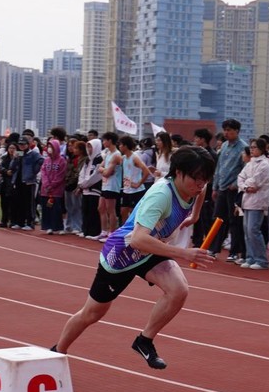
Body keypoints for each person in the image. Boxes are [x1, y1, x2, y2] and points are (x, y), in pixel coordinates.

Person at [52, 146, 216, 369]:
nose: (201, 185)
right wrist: (184, 253)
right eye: (197, 179)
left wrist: (194, 216)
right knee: (92, 313)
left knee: (179, 289)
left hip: (151, 250)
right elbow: (138, 239)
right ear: (178, 172)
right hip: (122, 254)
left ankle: (144, 340)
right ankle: (57, 351)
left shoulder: (196, 188)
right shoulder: (161, 196)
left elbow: (200, 194)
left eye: (205, 179)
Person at [209, 119, 247, 259]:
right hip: (221, 188)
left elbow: (245, 169)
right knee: (218, 219)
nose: (226, 133)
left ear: (237, 131)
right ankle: (213, 249)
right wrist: (215, 187)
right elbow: (219, 168)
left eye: (229, 130)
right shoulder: (224, 146)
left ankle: (234, 252)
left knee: (234, 221)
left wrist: (236, 185)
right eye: (225, 130)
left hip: (233, 190)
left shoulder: (243, 148)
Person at [237, 138, 269, 270]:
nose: (251, 149)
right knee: (247, 230)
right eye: (251, 147)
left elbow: (255, 182)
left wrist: (246, 185)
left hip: (258, 201)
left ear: (262, 149)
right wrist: (245, 187)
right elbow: (240, 177)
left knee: (253, 230)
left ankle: (261, 259)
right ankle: (250, 257)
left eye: (254, 147)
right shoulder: (250, 163)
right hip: (247, 199)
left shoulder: (264, 164)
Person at [96, 132, 123, 242]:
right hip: (105, 185)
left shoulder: (116, 155)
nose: (103, 142)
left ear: (110, 140)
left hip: (112, 186)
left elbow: (107, 172)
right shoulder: (107, 153)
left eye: (104, 140)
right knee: (101, 208)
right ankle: (104, 231)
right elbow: (101, 168)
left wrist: (104, 170)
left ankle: (111, 233)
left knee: (110, 210)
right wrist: (104, 170)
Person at [119, 135, 152, 224]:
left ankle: (133, 233)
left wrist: (138, 183)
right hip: (126, 190)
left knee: (134, 213)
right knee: (123, 212)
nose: (119, 146)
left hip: (136, 191)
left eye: (121, 145)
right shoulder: (124, 158)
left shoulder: (135, 157)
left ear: (126, 146)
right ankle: (123, 232)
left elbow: (146, 171)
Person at [39, 135, 68, 235]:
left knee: (56, 209)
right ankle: (48, 226)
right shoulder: (46, 160)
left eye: (52, 146)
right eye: (49, 146)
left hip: (56, 191)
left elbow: (61, 175)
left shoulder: (62, 161)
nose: (50, 149)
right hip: (45, 190)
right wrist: (46, 184)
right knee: (47, 208)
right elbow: (43, 173)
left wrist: (53, 185)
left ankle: (57, 226)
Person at [0, 139, 18, 228]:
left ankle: (13, 221)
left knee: (13, 203)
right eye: (10, 148)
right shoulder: (5, 158)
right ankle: (4, 220)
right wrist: (6, 171)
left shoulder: (18, 159)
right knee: (4, 203)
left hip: (14, 184)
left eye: (13, 148)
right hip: (4, 183)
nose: (11, 150)